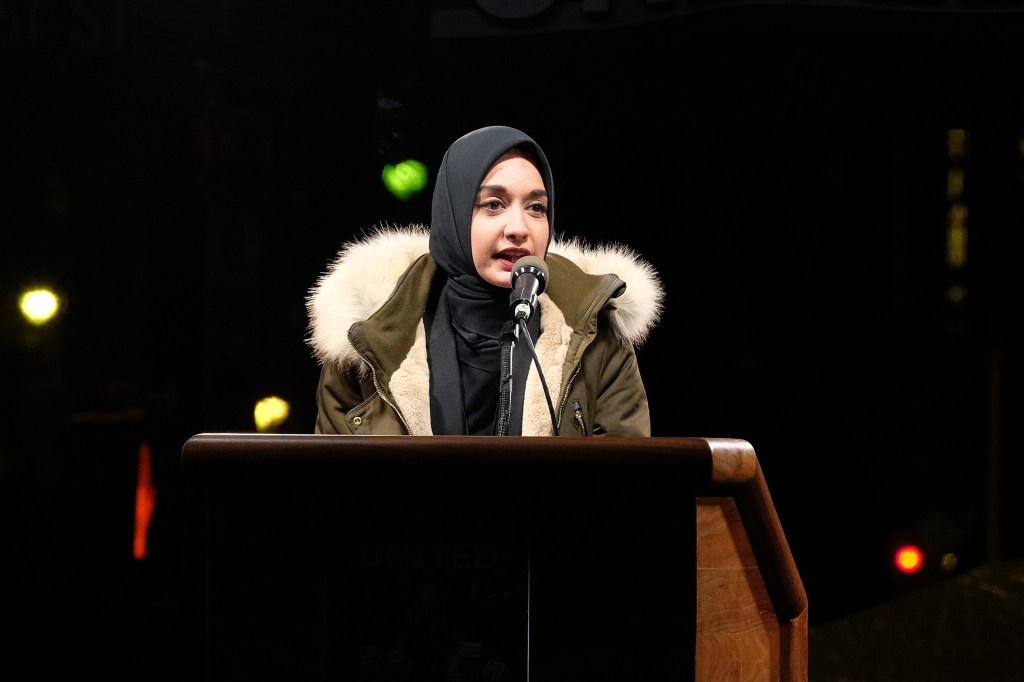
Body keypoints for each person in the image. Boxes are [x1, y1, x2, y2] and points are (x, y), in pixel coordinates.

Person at [306, 125, 663, 436]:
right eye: (493, 204)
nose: (519, 228)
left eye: (536, 208)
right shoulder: (367, 337)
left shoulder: (595, 333)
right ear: (453, 214)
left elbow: (625, 479)